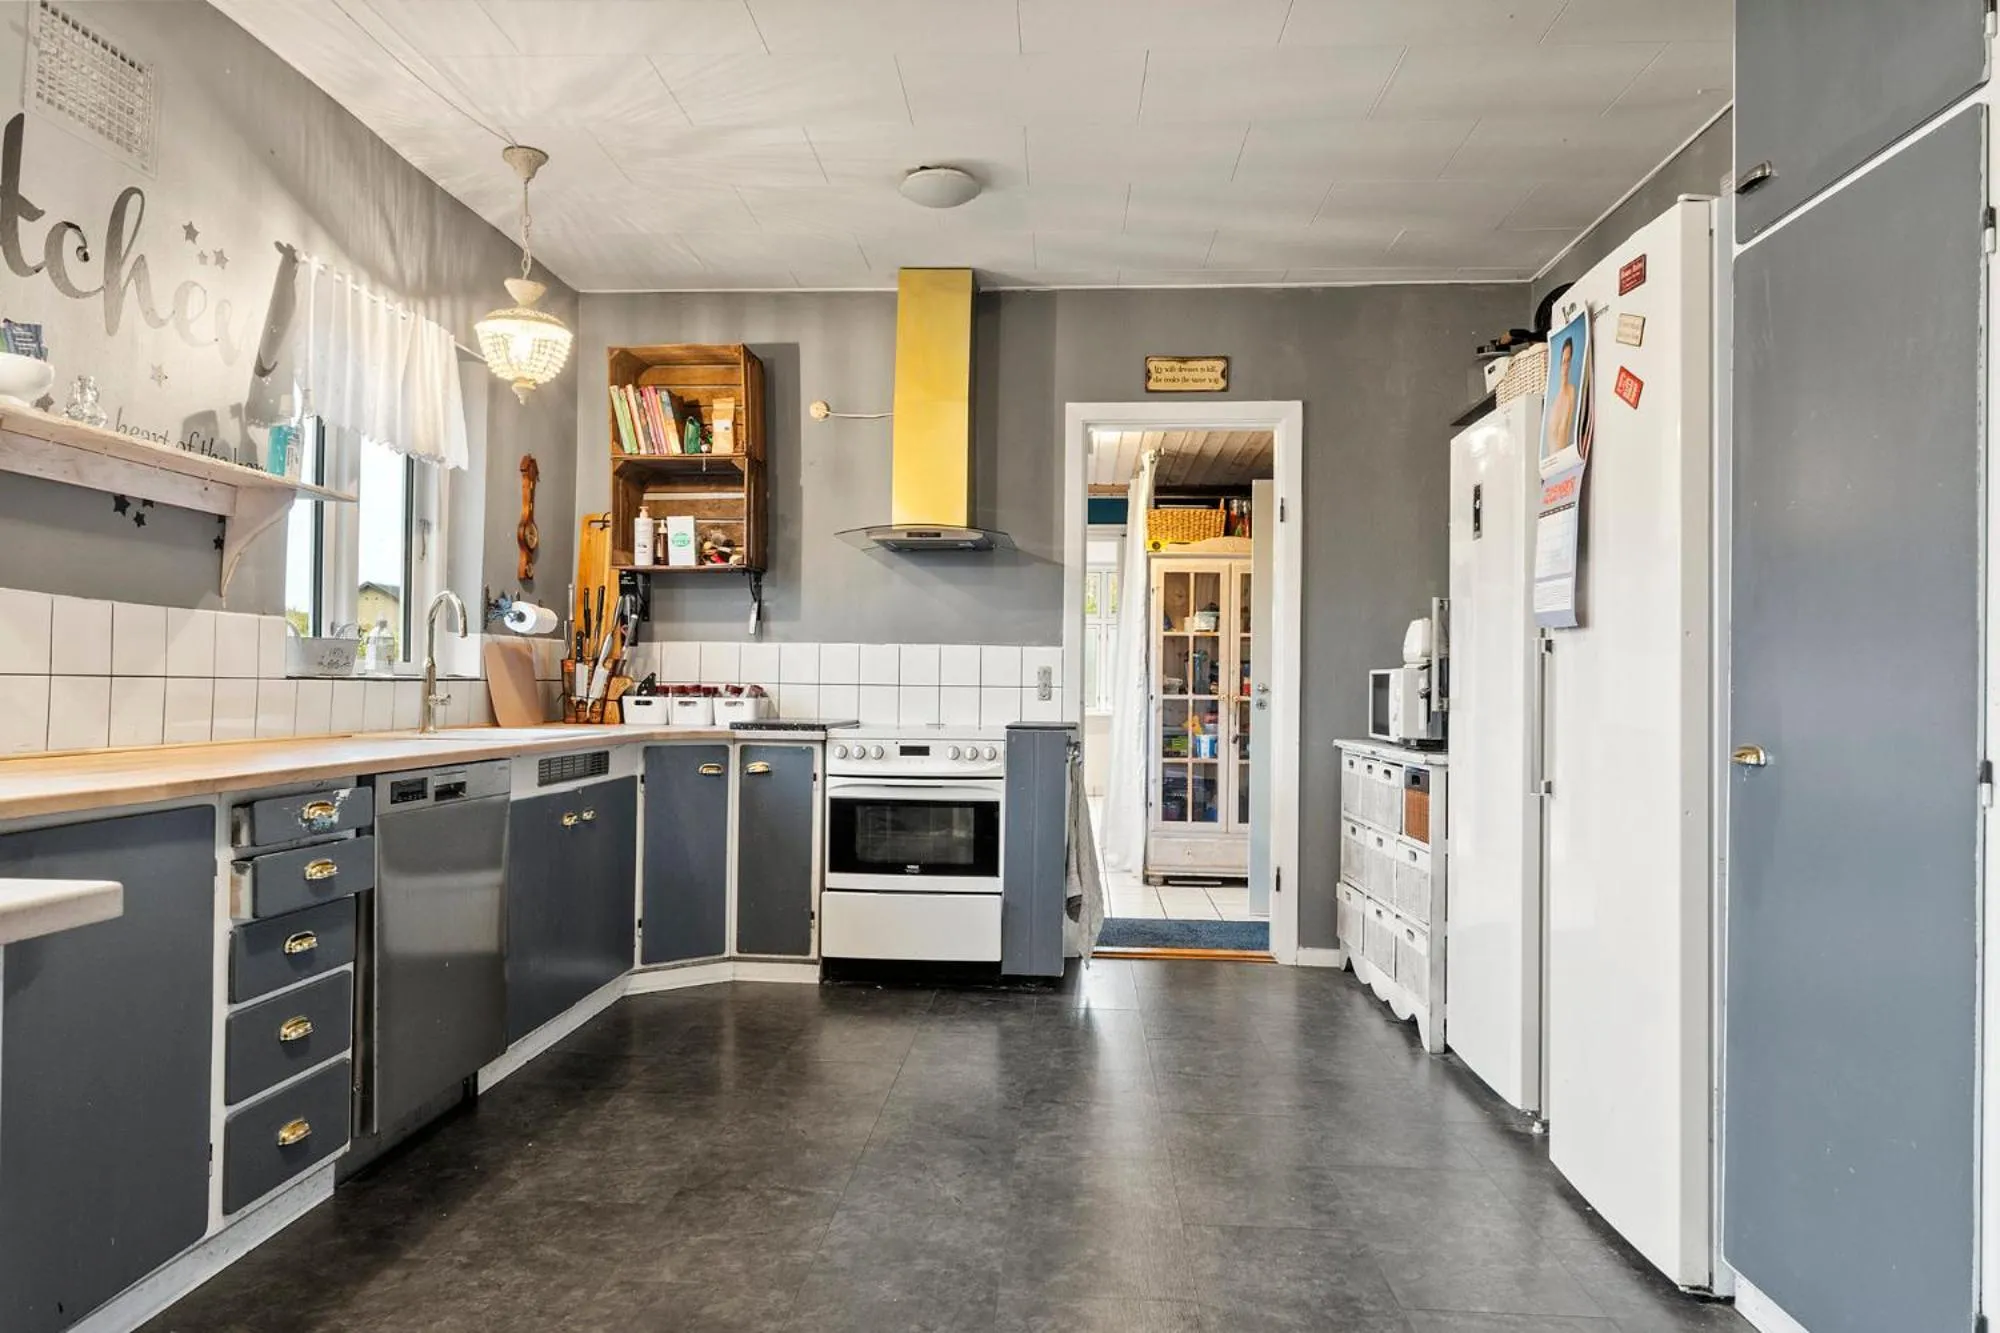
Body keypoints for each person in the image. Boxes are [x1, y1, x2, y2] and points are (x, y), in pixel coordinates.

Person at [1545, 336, 1578, 462]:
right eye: (1563, 361)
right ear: (1559, 363)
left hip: (1568, 463)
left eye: (1568, 361)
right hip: (1552, 467)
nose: (1565, 366)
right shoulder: (1552, 399)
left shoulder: (1571, 392)